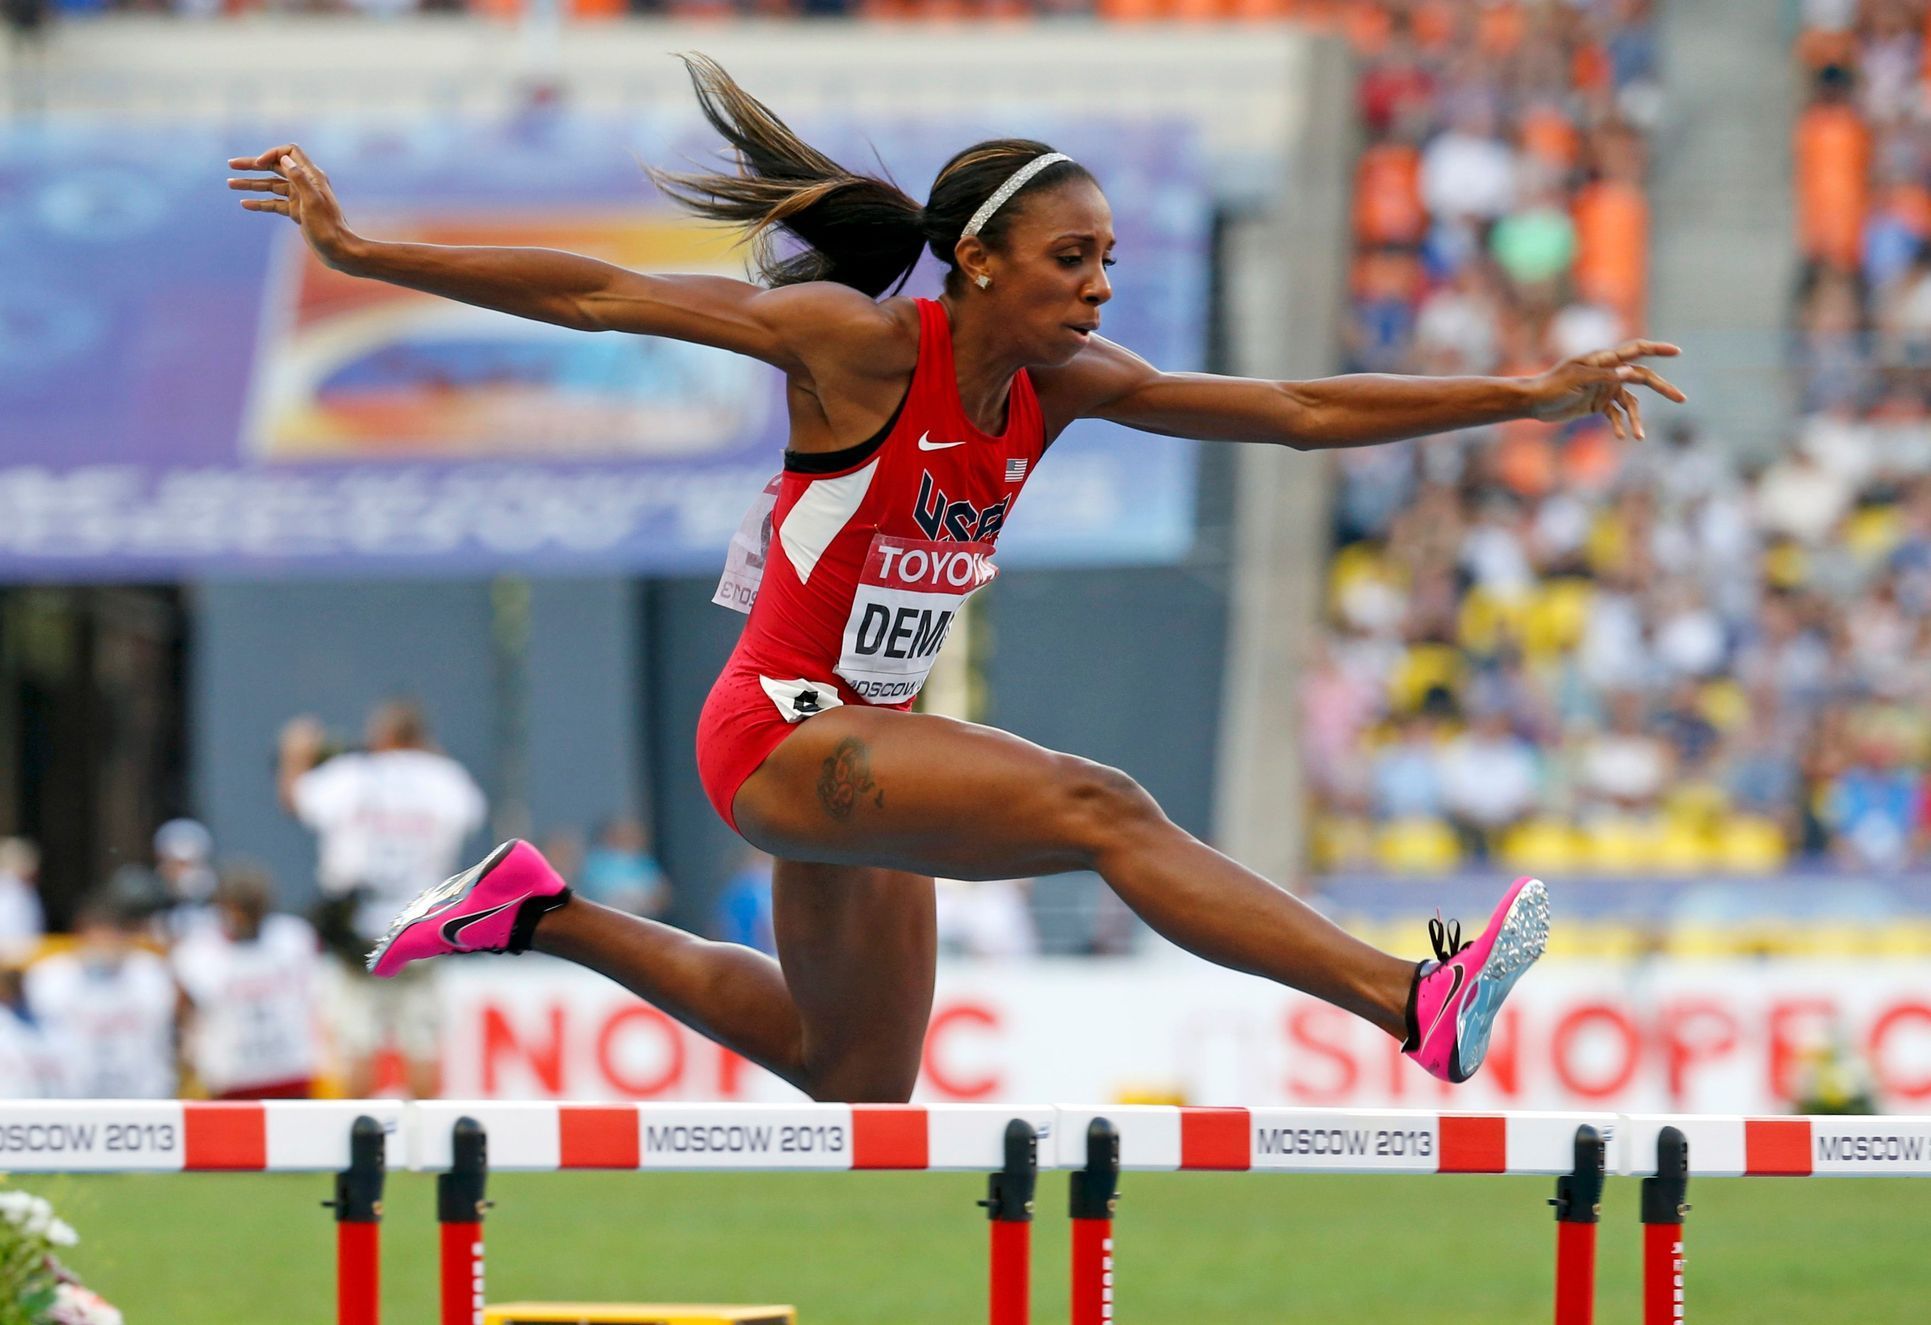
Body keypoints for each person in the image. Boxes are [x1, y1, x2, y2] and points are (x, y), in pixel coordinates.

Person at [231, 54, 1683, 1101]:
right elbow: (605, 295)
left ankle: (538, 912)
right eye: (1071, 258)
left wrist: (1522, 392)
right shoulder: (859, 348)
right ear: (977, 264)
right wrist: (359, 250)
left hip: (874, 751)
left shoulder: (1066, 385)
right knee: (1098, 804)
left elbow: (1296, 409)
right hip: (780, 735)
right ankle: (1404, 999)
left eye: (1109, 259)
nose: (1099, 287)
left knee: (847, 1076)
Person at [277, 699, 485, 1098]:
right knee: (423, 1048)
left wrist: (296, 753)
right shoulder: (446, 779)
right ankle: (426, 1150)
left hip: (358, 931)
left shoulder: (351, 775)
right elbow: (470, 814)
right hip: (422, 927)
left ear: (381, 735)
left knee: (357, 1047)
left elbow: (295, 800)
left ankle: (362, 1147)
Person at [172, 863, 323, 1101]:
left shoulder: (291, 938)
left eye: (254, 908)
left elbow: (314, 998)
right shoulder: (200, 951)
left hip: (290, 1068)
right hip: (231, 1076)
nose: (246, 918)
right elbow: (185, 1011)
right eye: (241, 908)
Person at [23, 896, 177, 1099]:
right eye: (98, 933)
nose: (105, 941)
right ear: (80, 934)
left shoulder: (150, 971)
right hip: (73, 1100)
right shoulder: (50, 975)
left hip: (143, 1098)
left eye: (113, 932)